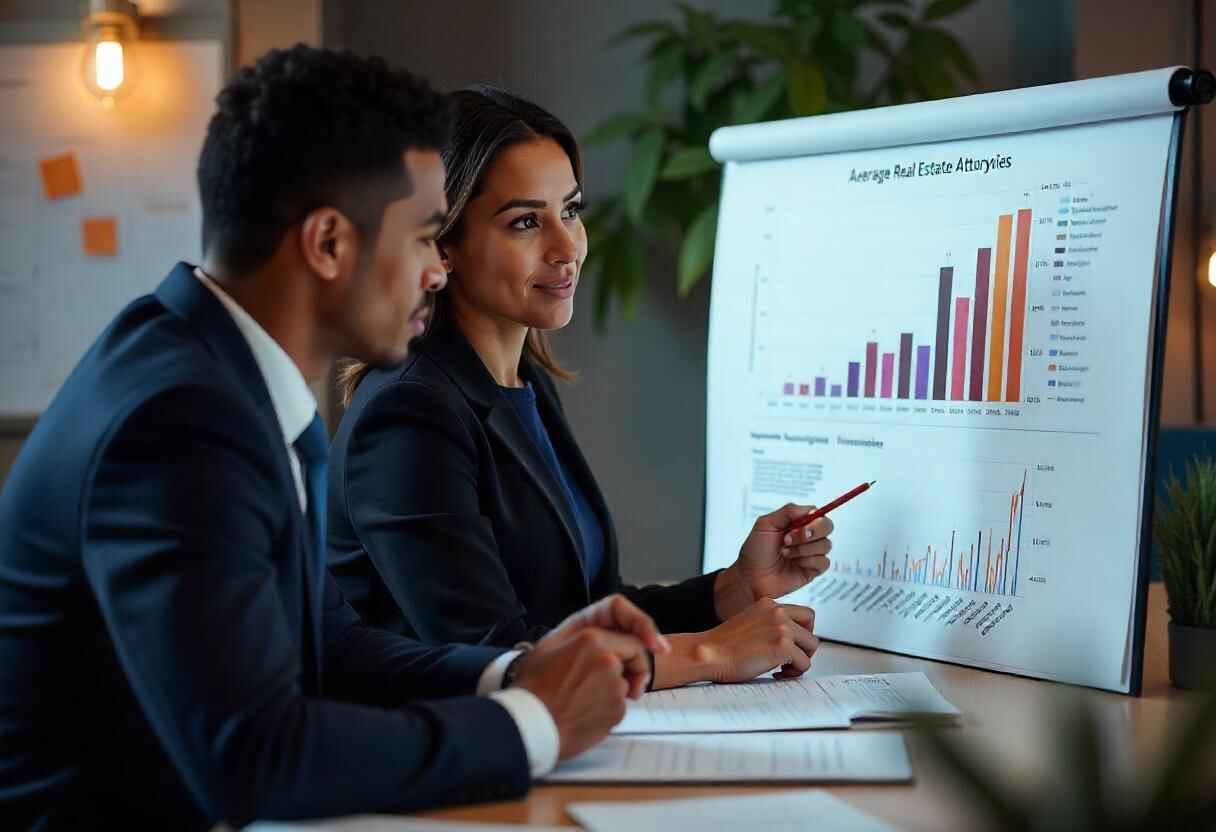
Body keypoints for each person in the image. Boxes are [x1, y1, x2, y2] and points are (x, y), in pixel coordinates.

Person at [0, 48, 670, 830]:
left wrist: (519, 670)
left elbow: (332, 644)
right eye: (424, 236)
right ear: (327, 244)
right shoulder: (181, 421)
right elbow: (255, 759)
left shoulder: (218, 373)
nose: (435, 271)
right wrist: (536, 725)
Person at [328, 86, 833, 690]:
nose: (567, 248)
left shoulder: (524, 385)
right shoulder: (408, 414)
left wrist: (731, 590)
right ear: (442, 245)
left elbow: (581, 614)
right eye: (525, 222)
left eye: (569, 210)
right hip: (434, 763)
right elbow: (497, 657)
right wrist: (708, 654)